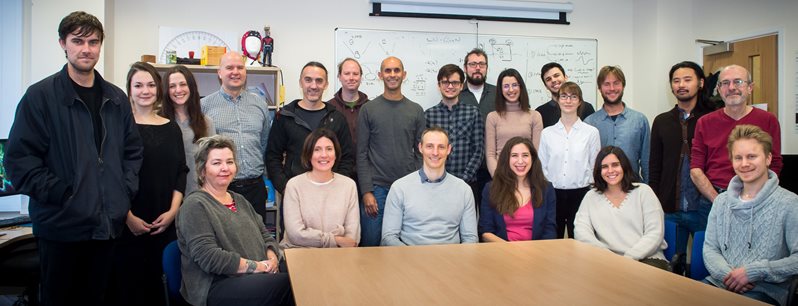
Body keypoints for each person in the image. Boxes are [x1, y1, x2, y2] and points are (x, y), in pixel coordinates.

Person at [5, 11, 143, 305]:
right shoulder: (40, 96)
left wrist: (124, 190)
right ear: (63, 44)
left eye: (93, 42)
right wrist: (64, 193)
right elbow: (19, 160)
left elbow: (132, 151)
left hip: (107, 228)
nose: (86, 49)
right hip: (62, 227)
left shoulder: (116, 98)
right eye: (77, 41)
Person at [177, 135, 292, 306]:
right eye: (216, 163)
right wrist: (259, 267)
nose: (225, 168)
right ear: (202, 170)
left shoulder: (239, 200)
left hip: (254, 274)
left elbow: (265, 234)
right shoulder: (194, 205)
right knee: (289, 286)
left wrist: (272, 257)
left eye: (229, 162)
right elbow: (209, 258)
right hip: (216, 284)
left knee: (301, 274)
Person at [109, 62, 189, 306]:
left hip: (165, 223)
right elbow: (110, 176)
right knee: (130, 288)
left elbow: (180, 173)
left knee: (163, 288)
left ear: (158, 90)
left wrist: (173, 212)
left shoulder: (172, 128)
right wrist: (127, 217)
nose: (145, 90)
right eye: (138, 85)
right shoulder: (118, 127)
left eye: (151, 85)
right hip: (127, 223)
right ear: (129, 90)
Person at [702, 125, 798, 306]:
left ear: (768, 158)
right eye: (738, 158)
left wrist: (755, 271)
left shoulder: (790, 203)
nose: (744, 164)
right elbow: (710, 249)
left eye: (752, 156)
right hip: (719, 283)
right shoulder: (721, 202)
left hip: (765, 291)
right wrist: (728, 276)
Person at [357, 56, 426, 246]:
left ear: (404, 75)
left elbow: (421, 153)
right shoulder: (368, 109)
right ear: (380, 75)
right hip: (377, 190)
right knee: (371, 243)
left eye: (397, 70)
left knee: (404, 245)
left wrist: (417, 186)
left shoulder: (416, 110)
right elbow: (361, 153)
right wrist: (366, 191)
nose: (392, 74)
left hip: (407, 189)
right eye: (388, 70)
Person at [691, 64, 783, 206]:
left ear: (750, 88)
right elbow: (696, 169)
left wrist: (758, 197)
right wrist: (718, 201)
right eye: (725, 83)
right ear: (719, 90)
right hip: (712, 200)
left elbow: (774, 163)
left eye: (738, 82)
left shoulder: (768, 120)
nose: (732, 87)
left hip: (757, 199)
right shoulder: (704, 123)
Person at [649, 61, 714, 255]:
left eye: (687, 80)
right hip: (670, 209)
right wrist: (655, 203)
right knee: (670, 266)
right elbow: (655, 166)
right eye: (676, 81)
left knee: (704, 264)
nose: (681, 85)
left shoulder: (712, 119)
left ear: (700, 83)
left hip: (704, 208)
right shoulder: (662, 121)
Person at [202, 51, 272, 223]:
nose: (235, 72)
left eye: (240, 67)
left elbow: (263, 143)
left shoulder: (260, 105)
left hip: (255, 188)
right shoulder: (204, 106)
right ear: (219, 73)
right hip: (221, 187)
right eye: (229, 67)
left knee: (256, 239)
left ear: (245, 72)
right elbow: (202, 150)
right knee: (224, 239)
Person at [267, 61, 355, 196]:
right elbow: (272, 156)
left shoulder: (337, 118)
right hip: (295, 194)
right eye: (308, 80)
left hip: (331, 195)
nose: (313, 86)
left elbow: (348, 158)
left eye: (319, 81)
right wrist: (286, 188)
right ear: (300, 82)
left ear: (326, 84)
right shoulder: (285, 116)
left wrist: (336, 187)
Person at [574, 146, 668, 270]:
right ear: (598, 171)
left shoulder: (643, 192)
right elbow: (581, 232)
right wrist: (606, 255)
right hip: (606, 261)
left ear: (624, 166)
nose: (610, 170)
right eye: (604, 167)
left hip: (647, 259)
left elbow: (655, 233)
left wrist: (629, 258)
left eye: (615, 165)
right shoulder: (591, 197)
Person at [381, 127, 478, 246]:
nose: (435, 153)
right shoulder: (399, 188)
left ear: (449, 149)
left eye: (441, 147)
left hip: (451, 261)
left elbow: (471, 238)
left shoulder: (463, 190)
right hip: (410, 260)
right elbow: (389, 237)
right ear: (420, 148)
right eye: (430, 146)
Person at [538, 82, 600, 239]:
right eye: (564, 96)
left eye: (573, 97)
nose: (568, 100)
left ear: (580, 101)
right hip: (553, 194)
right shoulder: (547, 133)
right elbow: (542, 166)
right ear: (558, 100)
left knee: (580, 240)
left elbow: (595, 166)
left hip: (581, 194)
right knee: (553, 240)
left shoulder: (591, 133)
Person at [280, 128, 360, 248]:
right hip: (300, 253)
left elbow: (352, 238)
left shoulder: (349, 185)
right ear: (308, 154)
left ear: (336, 153)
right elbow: (296, 235)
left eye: (329, 149)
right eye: (317, 150)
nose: (324, 155)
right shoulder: (294, 185)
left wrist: (316, 238)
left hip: (339, 254)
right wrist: (335, 239)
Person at [479, 137, 556, 241]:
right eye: (514, 155)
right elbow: (486, 231)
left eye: (525, 155)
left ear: (532, 158)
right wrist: (509, 250)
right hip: (502, 251)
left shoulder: (546, 189)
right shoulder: (491, 189)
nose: (520, 161)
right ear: (506, 159)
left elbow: (550, 231)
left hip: (537, 253)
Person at [585, 65, 650, 183]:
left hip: (633, 187)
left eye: (616, 83)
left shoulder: (639, 121)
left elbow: (646, 161)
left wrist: (648, 189)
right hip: (601, 190)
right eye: (606, 84)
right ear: (599, 88)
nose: (612, 88)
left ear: (623, 86)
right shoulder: (589, 123)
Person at [424, 64, 484, 185]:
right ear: (439, 85)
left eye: (455, 83)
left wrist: (463, 179)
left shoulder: (473, 113)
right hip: (435, 182)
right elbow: (426, 151)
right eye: (445, 82)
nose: (450, 86)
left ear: (461, 86)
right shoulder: (429, 115)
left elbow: (478, 150)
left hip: (467, 183)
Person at [161, 65, 215, 194]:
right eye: (172, 86)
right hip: (166, 195)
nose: (178, 90)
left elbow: (213, 161)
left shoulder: (206, 123)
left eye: (183, 84)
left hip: (198, 195)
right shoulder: (158, 121)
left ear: (191, 87)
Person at [457, 48, 496, 218]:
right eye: (473, 64)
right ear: (465, 68)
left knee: (491, 216)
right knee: (464, 217)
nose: (477, 68)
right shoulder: (455, 94)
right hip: (465, 170)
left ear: (487, 68)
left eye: (481, 64)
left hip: (493, 168)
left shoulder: (498, 94)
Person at [485, 68, 543, 177]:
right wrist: (499, 178)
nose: (511, 90)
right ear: (500, 90)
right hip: (501, 177)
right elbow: (490, 154)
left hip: (527, 177)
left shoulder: (535, 116)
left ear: (521, 87)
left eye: (515, 85)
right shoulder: (492, 117)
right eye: (506, 86)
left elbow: (536, 153)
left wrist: (526, 179)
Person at [326, 58, 370, 150]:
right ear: (339, 76)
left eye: (355, 74)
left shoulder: (370, 108)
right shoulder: (329, 109)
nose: (351, 78)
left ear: (361, 77)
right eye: (347, 73)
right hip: (339, 163)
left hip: (365, 163)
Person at [535, 62, 595, 128]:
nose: (553, 80)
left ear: (565, 77)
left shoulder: (586, 107)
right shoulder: (540, 112)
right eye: (548, 79)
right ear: (545, 86)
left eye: (556, 75)